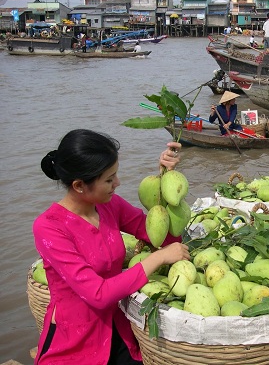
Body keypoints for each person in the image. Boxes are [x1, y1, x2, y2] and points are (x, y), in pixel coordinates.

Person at [33, 129, 190, 364]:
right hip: (76, 340)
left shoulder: (110, 205)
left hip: (119, 327)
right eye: (109, 179)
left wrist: (166, 182)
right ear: (79, 186)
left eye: (115, 175)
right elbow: (97, 294)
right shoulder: (49, 227)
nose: (117, 183)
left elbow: (165, 239)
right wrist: (158, 258)